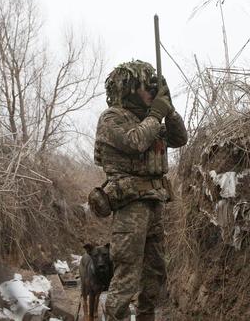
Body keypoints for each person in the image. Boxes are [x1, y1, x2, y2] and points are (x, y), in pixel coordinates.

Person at [93, 60, 188, 321]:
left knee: (154, 273)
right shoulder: (112, 118)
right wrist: (156, 114)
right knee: (126, 276)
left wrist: (169, 110)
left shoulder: (150, 119)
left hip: (154, 204)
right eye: (148, 87)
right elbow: (135, 142)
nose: (151, 92)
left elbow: (180, 138)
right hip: (130, 207)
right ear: (130, 89)